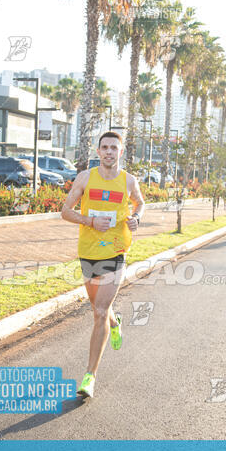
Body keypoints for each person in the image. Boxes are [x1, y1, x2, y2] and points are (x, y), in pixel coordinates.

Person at [61, 131, 145, 398]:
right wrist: (90, 222)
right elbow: (65, 211)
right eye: (104, 147)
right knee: (99, 306)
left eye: (114, 148)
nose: (109, 152)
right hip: (88, 250)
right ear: (98, 152)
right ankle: (115, 322)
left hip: (116, 250)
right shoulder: (86, 178)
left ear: (121, 153)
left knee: (98, 312)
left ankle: (90, 376)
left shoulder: (129, 181)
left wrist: (137, 218)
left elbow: (140, 203)